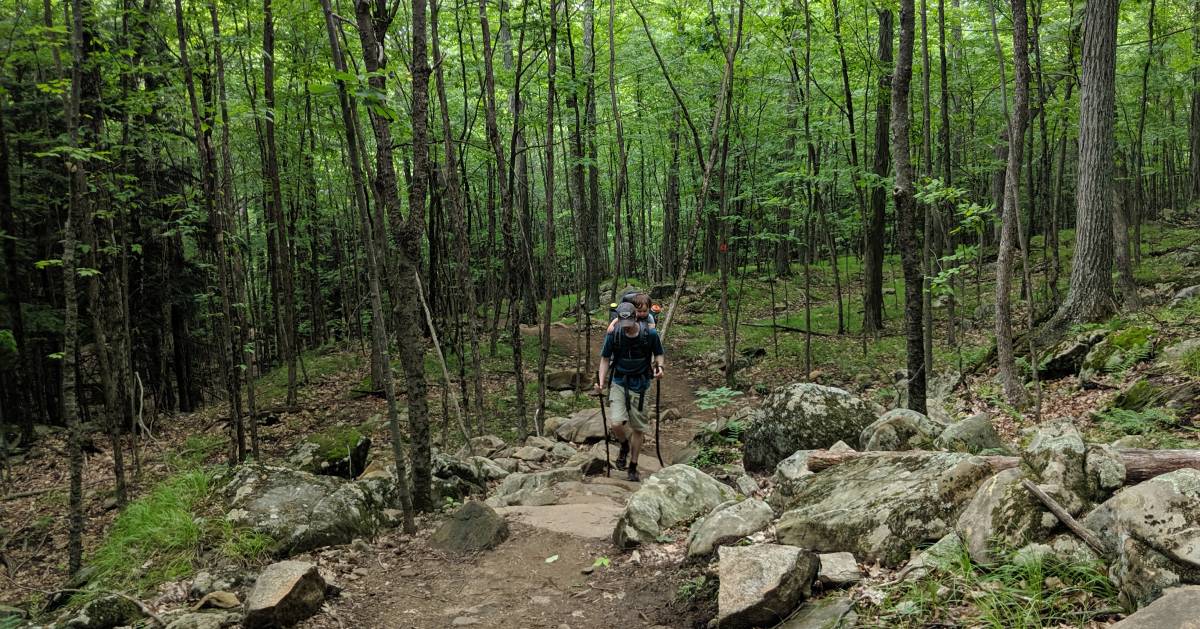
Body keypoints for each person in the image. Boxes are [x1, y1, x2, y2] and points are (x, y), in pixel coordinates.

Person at [594, 302, 665, 481]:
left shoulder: (650, 334)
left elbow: (658, 353)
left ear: (635, 318)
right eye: (622, 325)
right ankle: (624, 445)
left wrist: (660, 367)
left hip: (641, 384)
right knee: (616, 423)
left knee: (638, 428)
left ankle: (633, 465)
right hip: (619, 381)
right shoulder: (614, 334)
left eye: (628, 325)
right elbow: (604, 359)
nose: (625, 329)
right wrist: (601, 382)